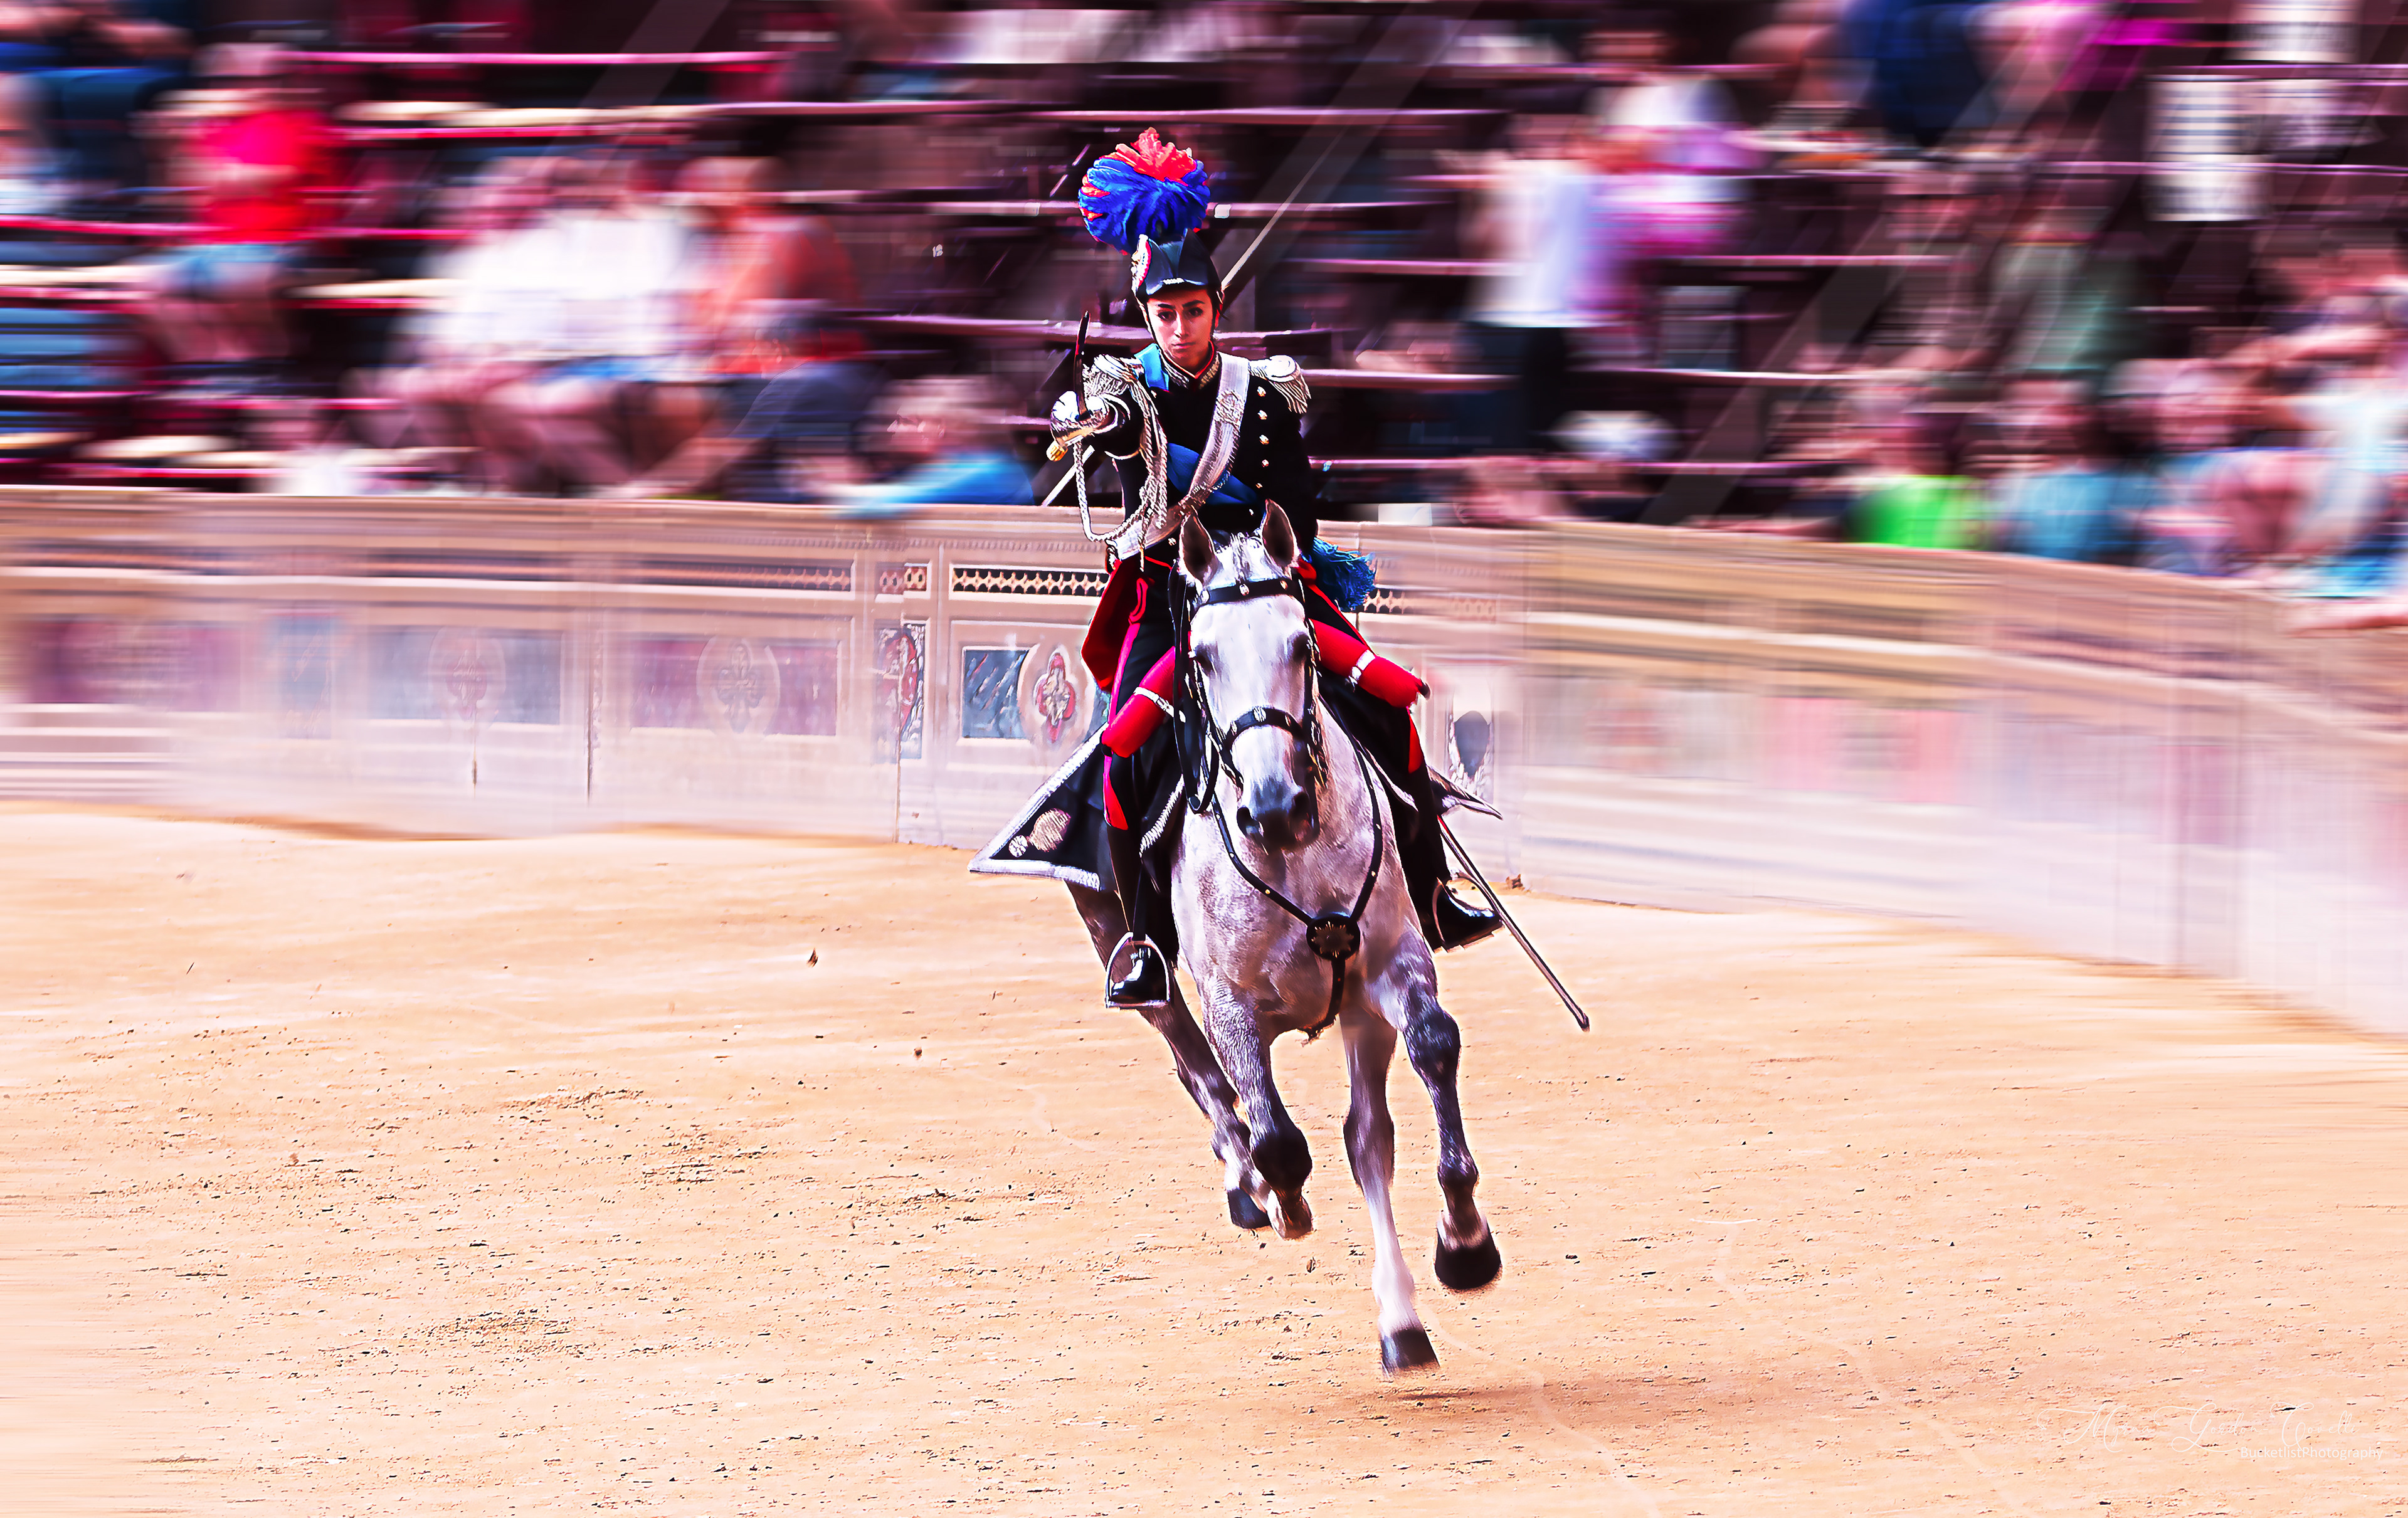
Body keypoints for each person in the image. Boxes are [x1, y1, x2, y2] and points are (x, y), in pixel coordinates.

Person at [978, 128, 1497, 1008]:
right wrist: (1096, 425)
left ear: (1218, 309)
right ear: (1147, 316)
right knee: (1123, 756)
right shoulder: (1123, 387)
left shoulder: (1263, 391)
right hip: (1168, 601)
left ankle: (1433, 888)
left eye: (1194, 311)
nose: (1180, 329)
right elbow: (1102, 423)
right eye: (1164, 314)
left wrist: (1257, 545)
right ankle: (1146, 938)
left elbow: (1298, 502)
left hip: (1264, 589)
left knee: (1388, 706)